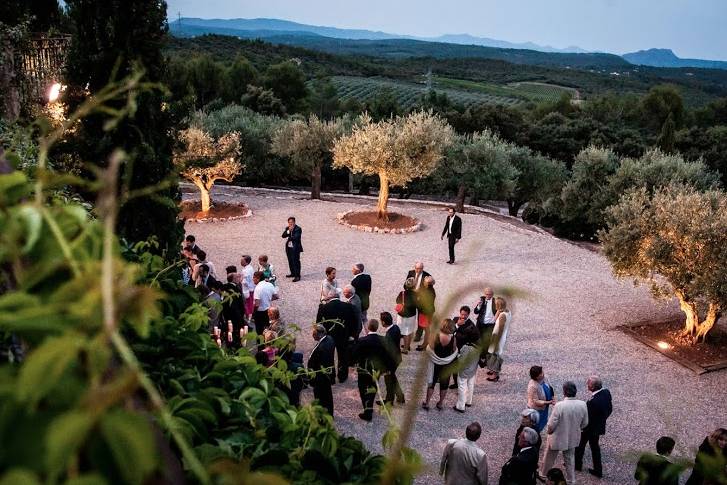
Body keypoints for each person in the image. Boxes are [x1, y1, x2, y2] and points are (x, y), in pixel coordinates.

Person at [540, 381, 589, 485]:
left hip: (557, 437)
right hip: (572, 437)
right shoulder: (583, 404)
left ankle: (543, 475)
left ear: (564, 392)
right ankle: (571, 480)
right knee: (570, 459)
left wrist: (549, 432)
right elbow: (585, 423)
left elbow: (551, 425)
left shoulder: (559, 406)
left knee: (549, 458)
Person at [351, 319, 394, 421]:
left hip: (364, 369)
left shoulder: (362, 340)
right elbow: (387, 356)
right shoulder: (383, 340)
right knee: (373, 388)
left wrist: (353, 363)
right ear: (377, 327)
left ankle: (367, 410)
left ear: (368, 327)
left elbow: (355, 353)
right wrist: (387, 369)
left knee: (362, 389)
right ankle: (369, 406)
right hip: (376, 370)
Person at [316, 293, 360, 384]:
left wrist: (319, 337)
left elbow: (319, 324)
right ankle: (342, 376)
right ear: (338, 297)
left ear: (330, 298)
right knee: (343, 356)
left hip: (328, 336)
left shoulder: (324, 307)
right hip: (344, 336)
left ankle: (331, 377)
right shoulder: (348, 306)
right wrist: (353, 335)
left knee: (328, 357)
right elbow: (355, 322)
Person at [575, 376, 613, 478]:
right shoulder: (606, 392)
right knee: (595, 448)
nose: (587, 385)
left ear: (593, 387)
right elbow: (610, 408)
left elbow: (586, 417)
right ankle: (598, 470)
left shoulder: (593, 402)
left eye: (589, 384)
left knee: (580, 445)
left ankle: (577, 465)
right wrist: (602, 419)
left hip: (589, 428)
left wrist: (581, 426)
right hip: (598, 426)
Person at [423, 319, 458, 411]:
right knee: (444, 384)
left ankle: (427, 403)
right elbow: (454, 350)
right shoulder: (453, 338)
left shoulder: (436, 336)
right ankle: (440, 403)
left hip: (435, 363)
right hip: (447, 364)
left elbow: (430, 348)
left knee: (432, 383)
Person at [452, 305, 480, 402]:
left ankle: (461, 390)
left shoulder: (471, 326)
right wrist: (457, 325)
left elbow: (461, 337)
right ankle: (456, 383)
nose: (463, 316)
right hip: (453, 349)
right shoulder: (455, 319)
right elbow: (450, 330)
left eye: (465, 315)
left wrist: (457, 328)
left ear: (468, 315)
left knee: (461, 371)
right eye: (462, 314)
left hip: (463, 351)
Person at [307, 324, 335, 415]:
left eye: (313, 334)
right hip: (327, 374)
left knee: (320, 397)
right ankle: (329, 413)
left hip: (319, 377)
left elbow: (313, 363)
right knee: (328, 396)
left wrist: (311, 378)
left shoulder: (320, 348)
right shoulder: (330, 339)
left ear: (318, 335)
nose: (312, 336)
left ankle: (321, 417)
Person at [379, 311, 405, 406]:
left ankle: (389, 401)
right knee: (393, 378)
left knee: (389, 381)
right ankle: (400, 396)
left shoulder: (389, 334)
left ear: (384, 322)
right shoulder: (395, 328)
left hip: (391, 362)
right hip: (397, 358)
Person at [485, 297, 511, 382]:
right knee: (493, 353)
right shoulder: (507, 311)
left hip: (498, 337)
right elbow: (494, 320)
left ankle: (495, 375)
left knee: (496, 355)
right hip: (498, 336)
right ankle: (492, 370)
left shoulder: (503, 315)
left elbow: (500, 329)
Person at [527, 366, 556, 433]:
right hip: (537, 409)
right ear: (536, 377)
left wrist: (552, 396)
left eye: (542, 372)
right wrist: (549, 402)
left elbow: (550, 387)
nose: (543, 374)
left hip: (544, 406)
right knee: (536, 424)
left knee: (543, 421)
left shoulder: (544, 378)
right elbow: (536, 401)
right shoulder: (532, 386)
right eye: (541, 373)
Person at [396, 278, 418, 354]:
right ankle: (408, 345)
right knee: (410, 330)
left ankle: (405, 349)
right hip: (412, 315)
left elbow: (397, 301)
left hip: (403, 315)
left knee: (405, 332)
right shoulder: (416, 295)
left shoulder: (402, 293)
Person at [414, 276, 436, 351]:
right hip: (428, 312)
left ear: (427, 284)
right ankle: (426, 343)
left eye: (424, 281)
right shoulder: (431, 290)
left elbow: (421, 304)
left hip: (425, 313)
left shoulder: (427, 293)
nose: (423, 282)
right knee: (427, 329)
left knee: (426, 329)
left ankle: (425, 345)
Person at [252, 271, 277, 335]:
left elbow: (257, 304)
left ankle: (261, 344)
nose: (253, 279)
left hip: (260, 312)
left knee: (259, 330)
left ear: (258, 278)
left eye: (253, 277)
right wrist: (268, 299)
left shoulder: (257, 288)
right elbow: (276, 296)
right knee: (268, 328)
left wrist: (253, 312)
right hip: (268, 310)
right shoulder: (270, 284)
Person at [474, 287, 497, 356]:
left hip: (490, 324)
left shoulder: (495, 302)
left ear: (492, 294)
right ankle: (480, 354)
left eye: (490, 294)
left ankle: (486, 355)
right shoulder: (482, 300)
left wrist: (495, 320)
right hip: (481, 324)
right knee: (479, 339)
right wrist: (479, 306)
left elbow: (500, 310)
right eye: (487, 294)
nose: (488, 296)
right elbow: (476, 312)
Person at [282, 216, 303, 281]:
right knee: (290, 260)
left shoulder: (298, 229)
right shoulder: (287, 228)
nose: (290, 224)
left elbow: (296, 237)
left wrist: (289, 238)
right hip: (289, 247)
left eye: (292, 222)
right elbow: (283, 235)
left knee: (296, 261)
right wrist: (288, 231)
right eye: (289, 222)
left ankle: (297, 276)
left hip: (295, 247)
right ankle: (293, 273)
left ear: (294, 222)